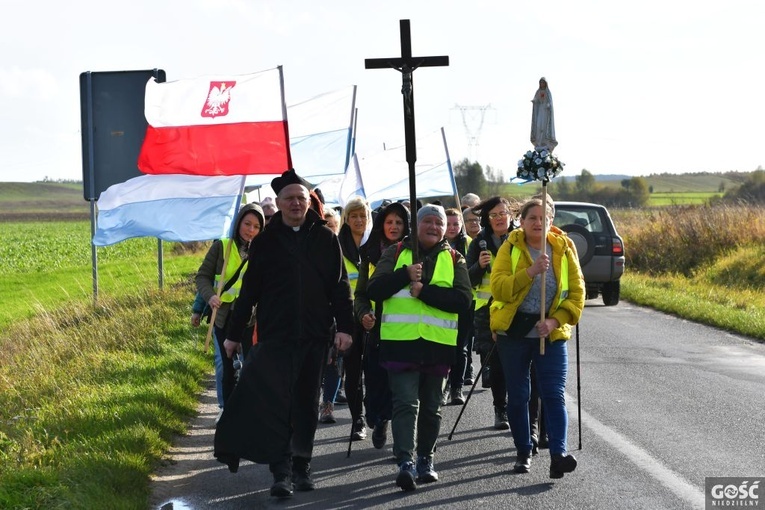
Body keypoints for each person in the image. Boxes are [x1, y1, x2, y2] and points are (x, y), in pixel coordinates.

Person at [214, 169, 354, 499]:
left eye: (300, 199)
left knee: (305, 403)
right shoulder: (264, 242)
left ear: (309, 203)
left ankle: (302, 465)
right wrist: (233, 335)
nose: (295, 203)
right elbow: (249, 293)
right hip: (275, 336)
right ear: (278, 203)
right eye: (289, 198)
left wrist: (345, 327)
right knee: (278, 403)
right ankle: (281, 471)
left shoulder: (325, 239)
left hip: (314, 336)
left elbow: (340, 287)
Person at [367, 204, 472, 492]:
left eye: (439, 223)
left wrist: (425, 292)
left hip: (437, 346)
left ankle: (426, 458)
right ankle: (406, 462)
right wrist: (404, 275)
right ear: (417, 225)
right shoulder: (395, 252)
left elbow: (463, 300)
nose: (434, 227)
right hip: (400, 344)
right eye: (427, 221)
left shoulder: (455, 258)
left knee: (431, 408)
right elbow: (373, 290)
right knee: (405, 404)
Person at [489, 197, 584, 478]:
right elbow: (499, 289)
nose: (539, 223)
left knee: (554, 394)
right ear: (522, 220)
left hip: (550, 335)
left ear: (552, 221)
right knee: (518, 396)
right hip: (514, 334)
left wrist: (555, 320)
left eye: (545, 218)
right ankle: (523, 450)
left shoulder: (565, 248)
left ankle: (558, 454)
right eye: (533, 218)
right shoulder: (511, 247)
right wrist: (529, 272)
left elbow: (578, 295)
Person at [195, 203, 264, 409]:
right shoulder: (221, 246)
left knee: (252, 367)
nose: (250, 230)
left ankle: (250, 409)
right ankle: (227, 410)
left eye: (256, 226)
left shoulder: (263, 251)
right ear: (238, 223)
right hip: (223, 316)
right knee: (226, 368)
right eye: (247, 224)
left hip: (251, 318)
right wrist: (209, 297)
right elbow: (202, 277)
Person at [354, 200, 410, 450]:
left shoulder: (414, 252)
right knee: (375, 381)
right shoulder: (369, 255)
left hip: (405, 330)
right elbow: (361, 293)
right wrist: (363, 313)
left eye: (399, 222)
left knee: (399, 388)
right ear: (381, 225)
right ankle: (378, 418)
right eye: (389, 222)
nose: (394, 226)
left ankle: (398, 433)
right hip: (376, 330)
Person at [466, 196, 516, 429]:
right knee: (496, 362)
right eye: (494, 215)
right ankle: (501, 409)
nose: (499, 219)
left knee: (515, 363)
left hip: (514, 308)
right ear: (487, 218)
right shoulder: (479, 242)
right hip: (486, 311)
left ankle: (520, 409)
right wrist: (479, 266)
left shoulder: (519, 239)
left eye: (502, 213)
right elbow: (467, 278)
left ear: (511, 215)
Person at [335, 197, 373, 440]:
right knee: (352, 370)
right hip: (348, 317)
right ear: (346, 219)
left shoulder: (376, 244)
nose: (359, 220)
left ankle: (375, 414)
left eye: (363, 216)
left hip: (373, 314)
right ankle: (357, 419)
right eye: (354, 216)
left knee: (375, 370)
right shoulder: (336, 245)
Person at [442, 207, 472, 405]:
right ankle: (443, 387)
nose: (452, 228)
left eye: (456, 223)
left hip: (464, 302)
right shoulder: (436, 244)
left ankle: (456, 387)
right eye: (449, 223)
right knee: (445, 346)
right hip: (442, 301)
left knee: (461, 347)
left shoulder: (470, 243)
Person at [531, 77, 558, 152]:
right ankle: (539, 142)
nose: (541, 84)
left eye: (543, 83)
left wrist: (549, 105)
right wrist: (534, 101)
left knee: (544, 126)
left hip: (546, 111)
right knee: (539, 125)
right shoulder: (538, 91)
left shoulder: (547, 92)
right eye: (540, 83)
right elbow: (536, 99)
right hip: (540, 110)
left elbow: (550, 101)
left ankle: (545, 142)